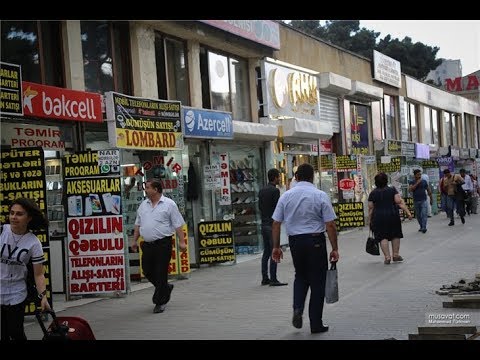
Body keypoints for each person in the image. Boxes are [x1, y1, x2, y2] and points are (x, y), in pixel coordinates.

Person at [271, 163, 339, 334]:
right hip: (315, 241)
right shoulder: (320, 195)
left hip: (295, 242)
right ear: (313, 177)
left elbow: (276, 224)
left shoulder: (286, 196)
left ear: (297, 177)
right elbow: (330, 224)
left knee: (300, 276)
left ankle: (297, 308)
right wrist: (334, 248)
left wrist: (276, 247)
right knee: (317, 282)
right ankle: (316, 323)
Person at [132, 178, 187, 314]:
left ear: (156, 190)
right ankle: (165, 288)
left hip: (163, 243)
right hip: (148, 245)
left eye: (148, 187)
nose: (145, 189)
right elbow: (138, 224)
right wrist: (134, 240)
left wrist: (182, 241)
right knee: (147, 270)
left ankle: (160, 302)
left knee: (161, 272)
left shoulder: (169, 204)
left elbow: (178, 224)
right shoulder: (143, 205)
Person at [1, 198, 51, 340]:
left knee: (15, 332)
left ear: (29, 218)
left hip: (17, 292)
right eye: (12, 213)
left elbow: (39, 274)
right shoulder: (1, 232)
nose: (14, 217)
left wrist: (43, 296)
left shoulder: (33, 242)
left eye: (19, 214)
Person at [368, 172, 412, 265]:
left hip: (378, 217)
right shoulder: (392, 190)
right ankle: (395, 255)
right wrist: (408, 213)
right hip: (392, 215)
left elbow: (370, 207)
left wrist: (370, 220)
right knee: (395, 234)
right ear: (386, 181)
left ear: (376, 182)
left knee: (382, 236)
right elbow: (398, 202)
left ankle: (387, 257)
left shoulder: (373, 193)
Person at [258, 168, 287, 286]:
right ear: (275, 177)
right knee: (274, 250)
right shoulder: (275, 191)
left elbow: (260, 206)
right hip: (272, 224)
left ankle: (265, 277)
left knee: (266, 252)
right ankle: (273, 278)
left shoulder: (261, 190)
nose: (279, 179)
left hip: (264, 223)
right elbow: (277, 208)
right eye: (278, 177)